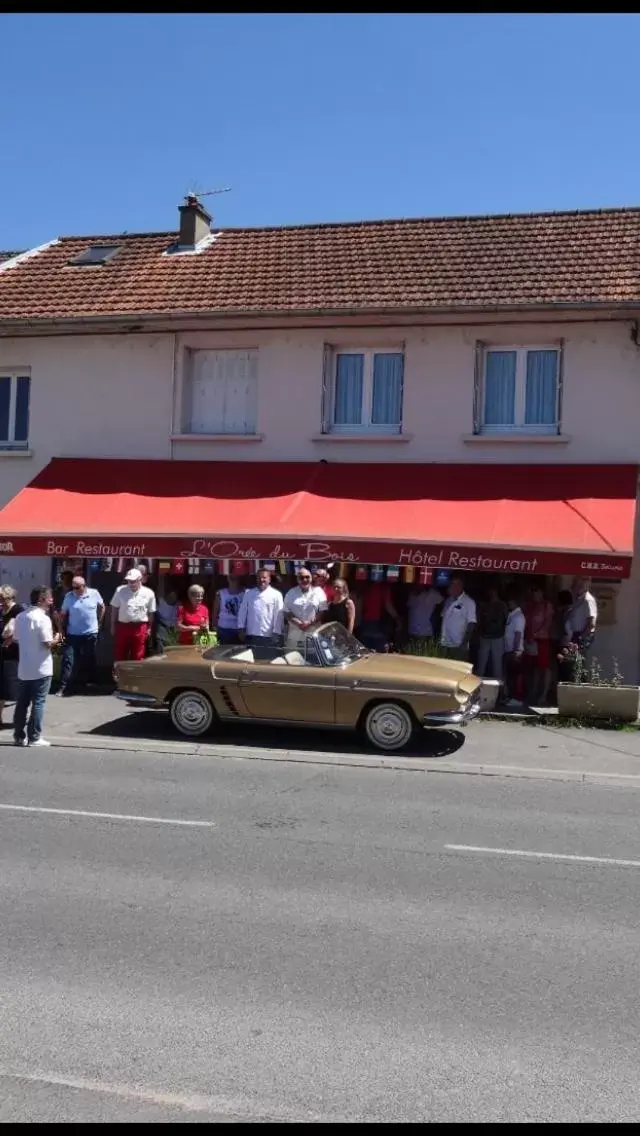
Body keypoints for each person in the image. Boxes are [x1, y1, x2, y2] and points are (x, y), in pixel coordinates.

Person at [12, 585, 60, 747]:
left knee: (22, 702)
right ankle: (34, 736)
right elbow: (47, 643)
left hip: (24, 666)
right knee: (38, 702)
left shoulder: (20, 617)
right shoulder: (43, 618)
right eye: (49, 597)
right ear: (41, 599)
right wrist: (57, 638)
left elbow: (16, 639)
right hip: (41, 667)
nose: (51, 600)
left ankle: (19, 736)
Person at [57, 576, 104, 696]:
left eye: (77, 587)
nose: (74, 590)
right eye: (73, 587)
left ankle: (87, 683)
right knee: (69, 659)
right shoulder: (69, 596)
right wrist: (61, 630)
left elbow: (102, 607)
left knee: (88, 658)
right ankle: (64, 687)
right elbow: (62, 614)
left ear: (84, 586)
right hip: (73, 634)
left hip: (90, 633)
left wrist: (99, 622)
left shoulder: (94, 593)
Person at [110, 568, 157, 663]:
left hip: (140, 627)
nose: (131, 584)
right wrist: (112, 625)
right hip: (123, 626)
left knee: (138, 655)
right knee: (120, 653)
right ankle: (119, 676)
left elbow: (151, 612)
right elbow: (114, 608)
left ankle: (135, 676)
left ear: (140, 580)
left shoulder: (149, 593)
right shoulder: (120, 590)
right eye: (129, 581)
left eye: (133, 581)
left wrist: (149, 628)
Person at [524, 585, 555, 705]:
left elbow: (547, 623)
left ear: (542, 592)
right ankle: (534, 692)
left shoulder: (547, 606)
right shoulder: (530, 606)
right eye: (533, 592)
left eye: (536, 591)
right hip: (530, 640)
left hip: (542, 639)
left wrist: (536, 634)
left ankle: (544, 694)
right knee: (535, 668)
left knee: (545, 667)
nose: (534, 594)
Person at [237, 569, 284, 646]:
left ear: (269, 579)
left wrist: (276, 632)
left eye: (264, 577)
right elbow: (242, 612)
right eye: (259, 578)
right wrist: (241, 628)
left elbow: (279, 615)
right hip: (251, 634)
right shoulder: (248, 593)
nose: (261, 580)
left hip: (268, 635)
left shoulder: (276, 594)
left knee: (266, 658)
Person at [283, 568, 328, 648]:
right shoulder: (290, 593)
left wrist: (309, 623)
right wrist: (299, 623)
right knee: (293, 658)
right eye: (301, 577)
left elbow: (322, 611)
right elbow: (286, 612)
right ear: (297, 579)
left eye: (307, 577)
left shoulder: (319, 591)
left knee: (312, 657)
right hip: (294, 634)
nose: (305, 579)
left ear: (311, 578)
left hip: (312, 633)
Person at [0, 586, 24, 726]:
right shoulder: (1, 610)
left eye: (2, 598)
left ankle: (21, 718)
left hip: (14, 654)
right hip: (2, 652)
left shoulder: (18, 610)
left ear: (9, 597)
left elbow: (11, 632)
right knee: (1, 687)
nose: (1, 601)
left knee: (13, 687)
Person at [440, 576, 477, 660]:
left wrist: (464, 643)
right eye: (450, 585)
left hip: (459, 646)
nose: (449, 587)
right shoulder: (448, 601)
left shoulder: (468, 602)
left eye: (452, 585)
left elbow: (471, 624)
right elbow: (443, 619)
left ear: (459, 586)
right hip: (445, 644)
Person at [358, 580, 400, 652]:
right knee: (380, 651)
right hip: (377, 622)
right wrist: (397, 618)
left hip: (365, 621)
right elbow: (388, 606)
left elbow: (361, 604)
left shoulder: (366, 587)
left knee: (367, 650)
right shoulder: (383, 588)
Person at [476, 585, 507, 679]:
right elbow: (479, 620)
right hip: (485, 636)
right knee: (481, 664)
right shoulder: (484, 605)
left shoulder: (502, 605)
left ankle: (499, 688)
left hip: (498, 637)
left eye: (493, 590)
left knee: (497, 664)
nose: (491, 593)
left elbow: (507, 620)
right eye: (490, 590)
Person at [503, 592, 526, 707]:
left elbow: (518, 634)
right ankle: (511, 697)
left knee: (516, 676)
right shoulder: (511, 615)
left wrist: (516, 650)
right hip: (508, 649)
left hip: (515, 651)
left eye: (510, 601)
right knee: (510, 676)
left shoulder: (519, 616)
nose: (508, 603)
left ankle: (517, 698)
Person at [566, 577, 598, 653]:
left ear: (581, 586)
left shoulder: (588, 600)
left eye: (574, 585)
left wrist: (581, 638)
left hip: (580, 635)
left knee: (577, 661)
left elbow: (591, 623)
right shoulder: (579, 599)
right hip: (574, 634)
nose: (571, 587)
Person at [213, 576, 245, 645]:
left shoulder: (245, 593)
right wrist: (215, 628)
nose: (233, 576)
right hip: (224, 630)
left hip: (240, 630)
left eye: (235, 575)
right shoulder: (220, 593)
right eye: (231, 575)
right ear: (227, 577)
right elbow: (215, 612)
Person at [156, 588, 178, 652]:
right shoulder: (160, 602)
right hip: (162, 628)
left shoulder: (178, 604)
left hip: (174, 631)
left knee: (173, 651)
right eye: (171, 595)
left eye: (174, 596)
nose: (172, 598)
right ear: (166, 595)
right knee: (162, 651)